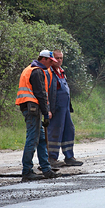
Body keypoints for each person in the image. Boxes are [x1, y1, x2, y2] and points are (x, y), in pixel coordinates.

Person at [16, 50, 62, 181]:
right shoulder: (37, 72)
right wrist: (46, 113)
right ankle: (27, 171)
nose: (51, 64)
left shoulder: (30, 69)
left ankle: (46, 170)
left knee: (41, 139)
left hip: (30, 107)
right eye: (50, 61)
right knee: (33, 139)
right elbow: (41, 93)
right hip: (32, 109)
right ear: (44, 59)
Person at [47, 49, 83, 167]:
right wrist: (48, 109)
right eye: (57, 58)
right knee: (55, 131)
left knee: (69, 130)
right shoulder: (49, 73)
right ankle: (52, 158)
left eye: (61, 58)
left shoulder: (62, 72)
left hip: (66, 108)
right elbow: (46, 91)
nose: (59, 60)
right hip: (56, 108)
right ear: (52, 59)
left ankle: (69, 157)